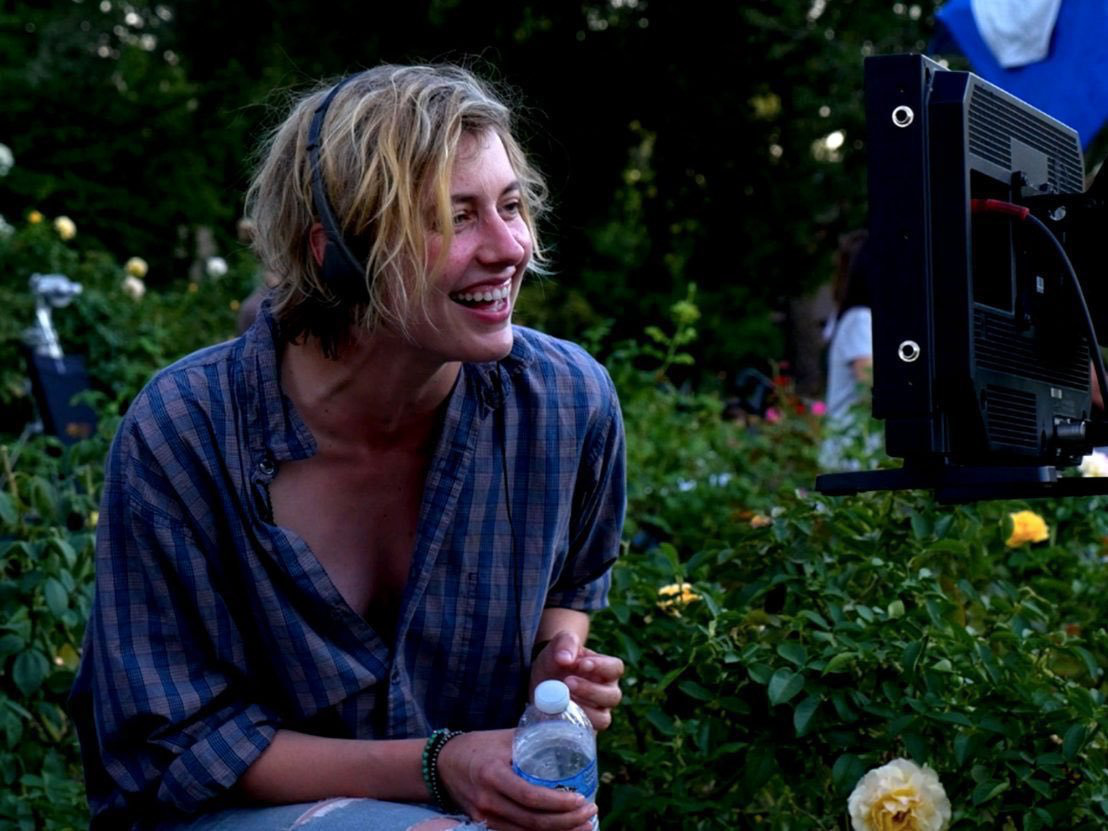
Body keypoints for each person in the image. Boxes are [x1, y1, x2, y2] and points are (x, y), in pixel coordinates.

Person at [69, 63, 627, 831]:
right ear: (334, 251)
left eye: (510, 205)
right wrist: (440, 763)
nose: (512, 247)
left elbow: (575, 580)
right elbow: (174, 745)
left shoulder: (566, 403)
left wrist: (554, 669)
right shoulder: (184, 432)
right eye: (455, 217)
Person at [819, 229, 878, 470]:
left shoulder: (851, 318)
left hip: (852, 452)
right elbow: (870, 387)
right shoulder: (860, 320)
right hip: (853, 455)